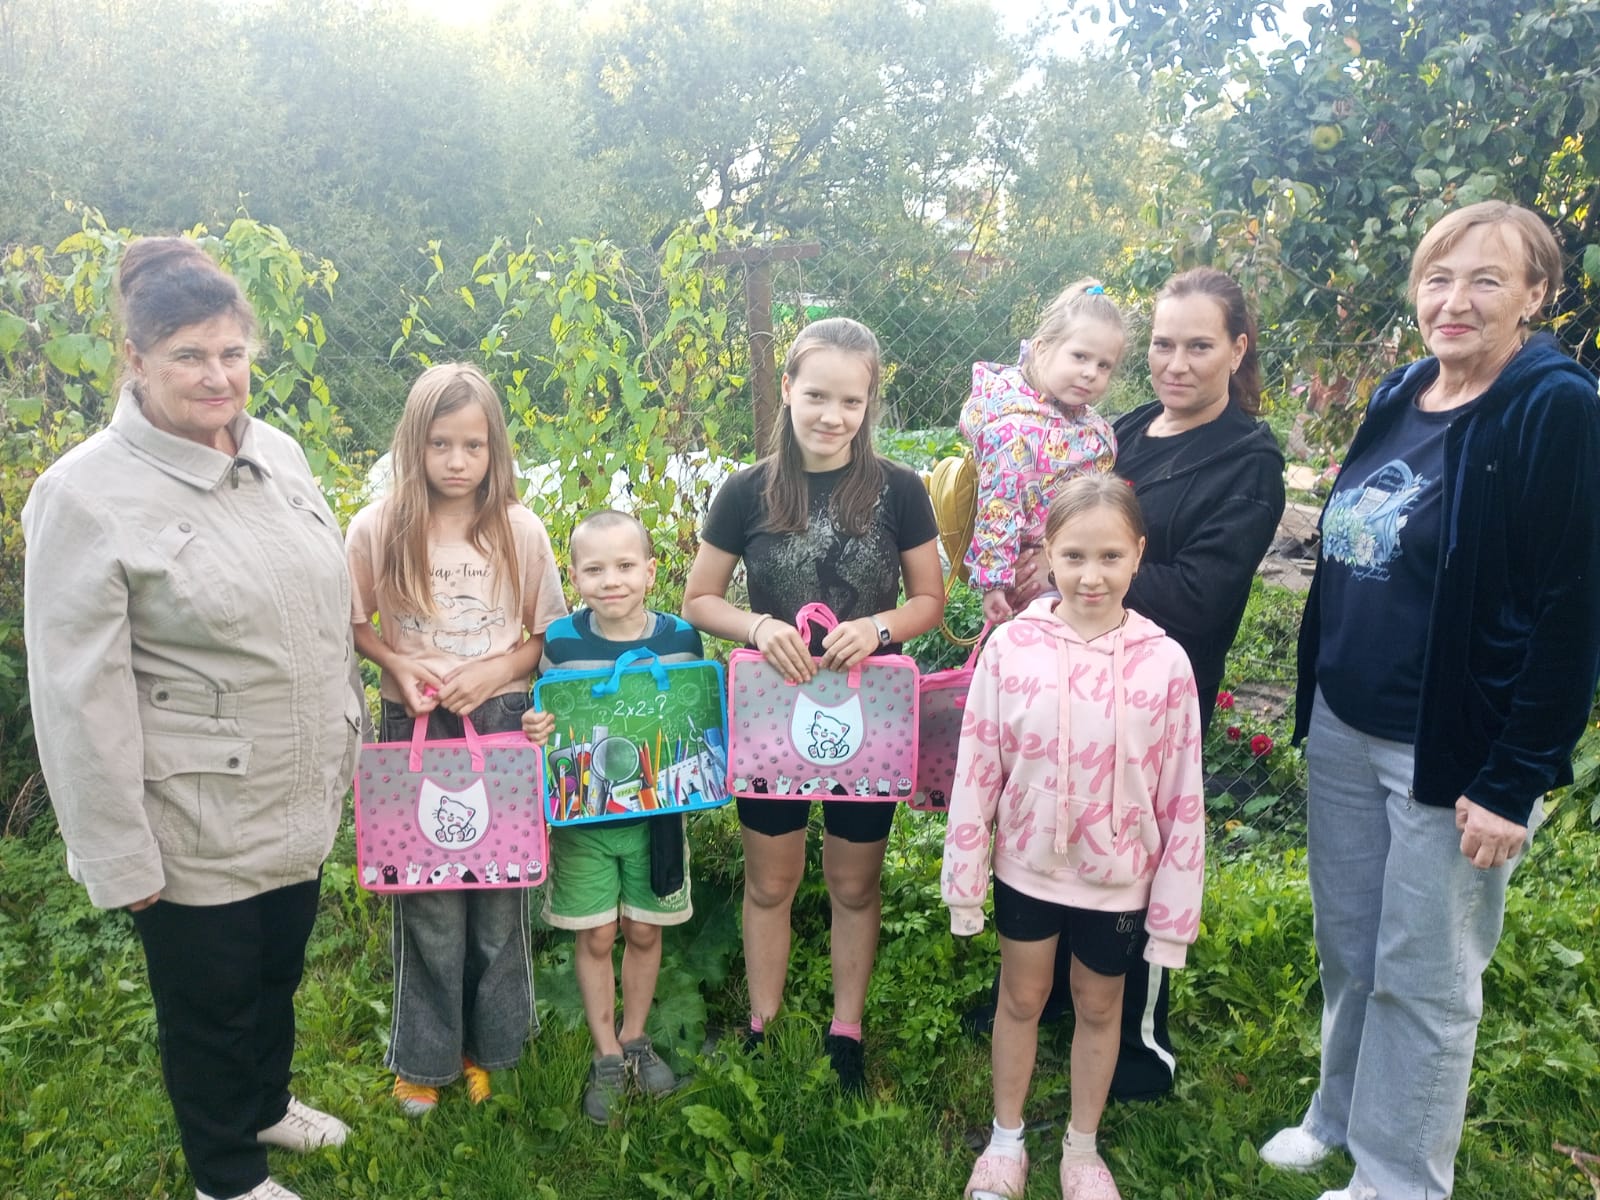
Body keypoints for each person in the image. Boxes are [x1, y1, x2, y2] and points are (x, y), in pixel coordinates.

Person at [1258, 202, 1600, 1200]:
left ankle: (1400, 1178)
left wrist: (1513, 778)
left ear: (1535, 295)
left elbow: (1573, 608)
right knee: (1350, 947)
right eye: (1438, 278)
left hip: (1448, 744)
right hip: (1346, 721)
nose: (1454, 300)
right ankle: (1338, 1117)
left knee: (1426, 972)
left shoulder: (1555, 409)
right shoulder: (1403, 390)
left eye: (1486, 280)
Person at [22, 237, 362, 1200]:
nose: (218, 376)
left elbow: (318, 610)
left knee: (275, 975)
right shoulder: (84, 495)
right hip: (192, 814)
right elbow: (76, 696)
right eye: (188, 356)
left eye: (232, 352)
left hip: (294, 789)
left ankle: (264, 1103)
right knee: (209, 1003)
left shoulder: (277, 453)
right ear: (134, 359)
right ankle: (227, 1174)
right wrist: (118, 853)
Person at [973, 268, 1286, 1101]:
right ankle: (1038, 996)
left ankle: (1140, 1042)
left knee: (1135, 857)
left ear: (1237, 350)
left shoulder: (1247, 462)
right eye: (1162, 344)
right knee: (1056, 829)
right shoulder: (1123, 431)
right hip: (1066, 676)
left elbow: (1204, 594)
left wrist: (1074, 573)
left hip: (1154, 692)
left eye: (1198, 346)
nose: (1175, 363)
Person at [681, 317, 944, 1094]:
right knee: (771, 882)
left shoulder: (900, 490)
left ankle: (845, 1031)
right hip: (773, 711)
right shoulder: (747, 491)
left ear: (870, 403)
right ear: (789, 388)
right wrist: (759, 627)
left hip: (869, 717)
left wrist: (879, 627)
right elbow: (699, 599)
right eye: (818, 395)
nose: (833, 416)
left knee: (855, 884)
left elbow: (929, 600)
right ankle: (762, 1025)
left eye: (851, 402)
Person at [943, 476, 1204, 1200]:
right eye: (1075, 556)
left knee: (1099, 1005)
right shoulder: (1010, 649)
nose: (1092, 576)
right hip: (1027, 868)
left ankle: (1082, 1152)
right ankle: (1005, 1142)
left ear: (1139, 555)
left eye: (1111, 557)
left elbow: (1182, 796)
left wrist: (1173, 917)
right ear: (1047, 554)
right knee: (1021, 997)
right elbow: (977, 767)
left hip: (1119, 879)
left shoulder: (1166, 664)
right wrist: (965, 880)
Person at [346, 362, 566, 1115]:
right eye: (440, 444)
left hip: (500, 725)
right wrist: (399, 666)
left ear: (494, 447)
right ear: (414, 444)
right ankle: (424, 1058)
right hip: (413, 729)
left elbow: (545, 636)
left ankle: (494, 1047)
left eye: (473, 445)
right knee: (428, 902)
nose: (457, 461)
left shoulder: (519, 529)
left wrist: (496, 671)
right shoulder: (378, 527)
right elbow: (355, 623)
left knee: (501, 898)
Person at [521, 509, 703, 1123]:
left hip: (658, 823)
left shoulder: (681, 640)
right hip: (584, 824)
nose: (611, 581)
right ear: (574, 576)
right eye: (594, 569)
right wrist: (535, 726)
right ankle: (606, 1054)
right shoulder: (561, 644)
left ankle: (635, 1037)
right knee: (596, 935)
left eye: (625, 566)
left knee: (645, 931)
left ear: (650, 572)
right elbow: (546, 716)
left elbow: (693, 719)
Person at [961, 280, 1122, 625]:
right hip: (1030, 579)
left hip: (1079, 564)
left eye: (1104, 365)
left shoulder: (1093, 428)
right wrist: (995, 583)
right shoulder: (1012, 431)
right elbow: (998, 507)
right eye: (1079, 356)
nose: (1090, 373)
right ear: (1042, 348)